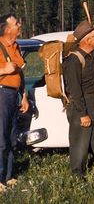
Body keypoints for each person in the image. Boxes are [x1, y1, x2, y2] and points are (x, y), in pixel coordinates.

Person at [63, 20, 94, 177]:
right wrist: (82, 113)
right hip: (80, 104)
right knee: (80, 142)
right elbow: (74, 90)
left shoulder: (93, 56)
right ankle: (78, 177)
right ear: (86, 40)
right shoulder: (73, 60)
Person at [0, 14, 29, 191]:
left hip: (13, 94)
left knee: (11, 137)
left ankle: (9, 176)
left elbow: (20, 73)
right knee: (1, 137)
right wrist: (3, 69)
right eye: (16, 23)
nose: (19, 25)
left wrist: (24, 95)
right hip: (1, 93)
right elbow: (8, 69)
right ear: (7, 28)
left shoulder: (16, 46)